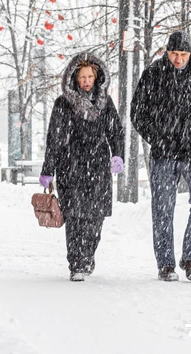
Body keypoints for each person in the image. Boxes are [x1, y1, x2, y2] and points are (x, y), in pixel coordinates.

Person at [130, 31, 191, 283]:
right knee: (163, 208)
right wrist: (157, 137)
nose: (179, 59)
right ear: (166, 52)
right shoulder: (154, 74)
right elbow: (137, 111)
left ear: (190, 53)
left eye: (183, 54)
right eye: (174, 54)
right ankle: (166, 263)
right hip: (164, 153)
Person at [39, 53, 125, 282]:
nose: (87, 80)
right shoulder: (63, 103)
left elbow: (115, 131)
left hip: (98, 167)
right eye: (82, 76)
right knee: (75, 217)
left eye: (90, 76)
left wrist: (117, 154)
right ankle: (77, 262)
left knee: (95, 218)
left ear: (97, 77)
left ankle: (88, 255)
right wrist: (48, 168)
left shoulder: (105, 102)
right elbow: (54, 138)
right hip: (71, 166)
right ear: (74, 78)